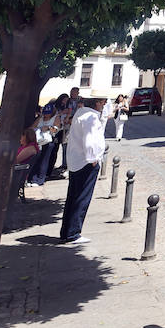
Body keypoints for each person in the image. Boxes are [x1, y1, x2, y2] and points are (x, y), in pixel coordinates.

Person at [60, 97, 106, 245]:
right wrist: (93, 159)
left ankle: (67, 231)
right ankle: (73, 232)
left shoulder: (81, 112)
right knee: (82, 197)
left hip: (76, 161)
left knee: (73, 196)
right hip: (85, 162)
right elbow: (90, 139)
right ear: (97, 102)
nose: (104, 105)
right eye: (103, 102)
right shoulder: (90, 117)